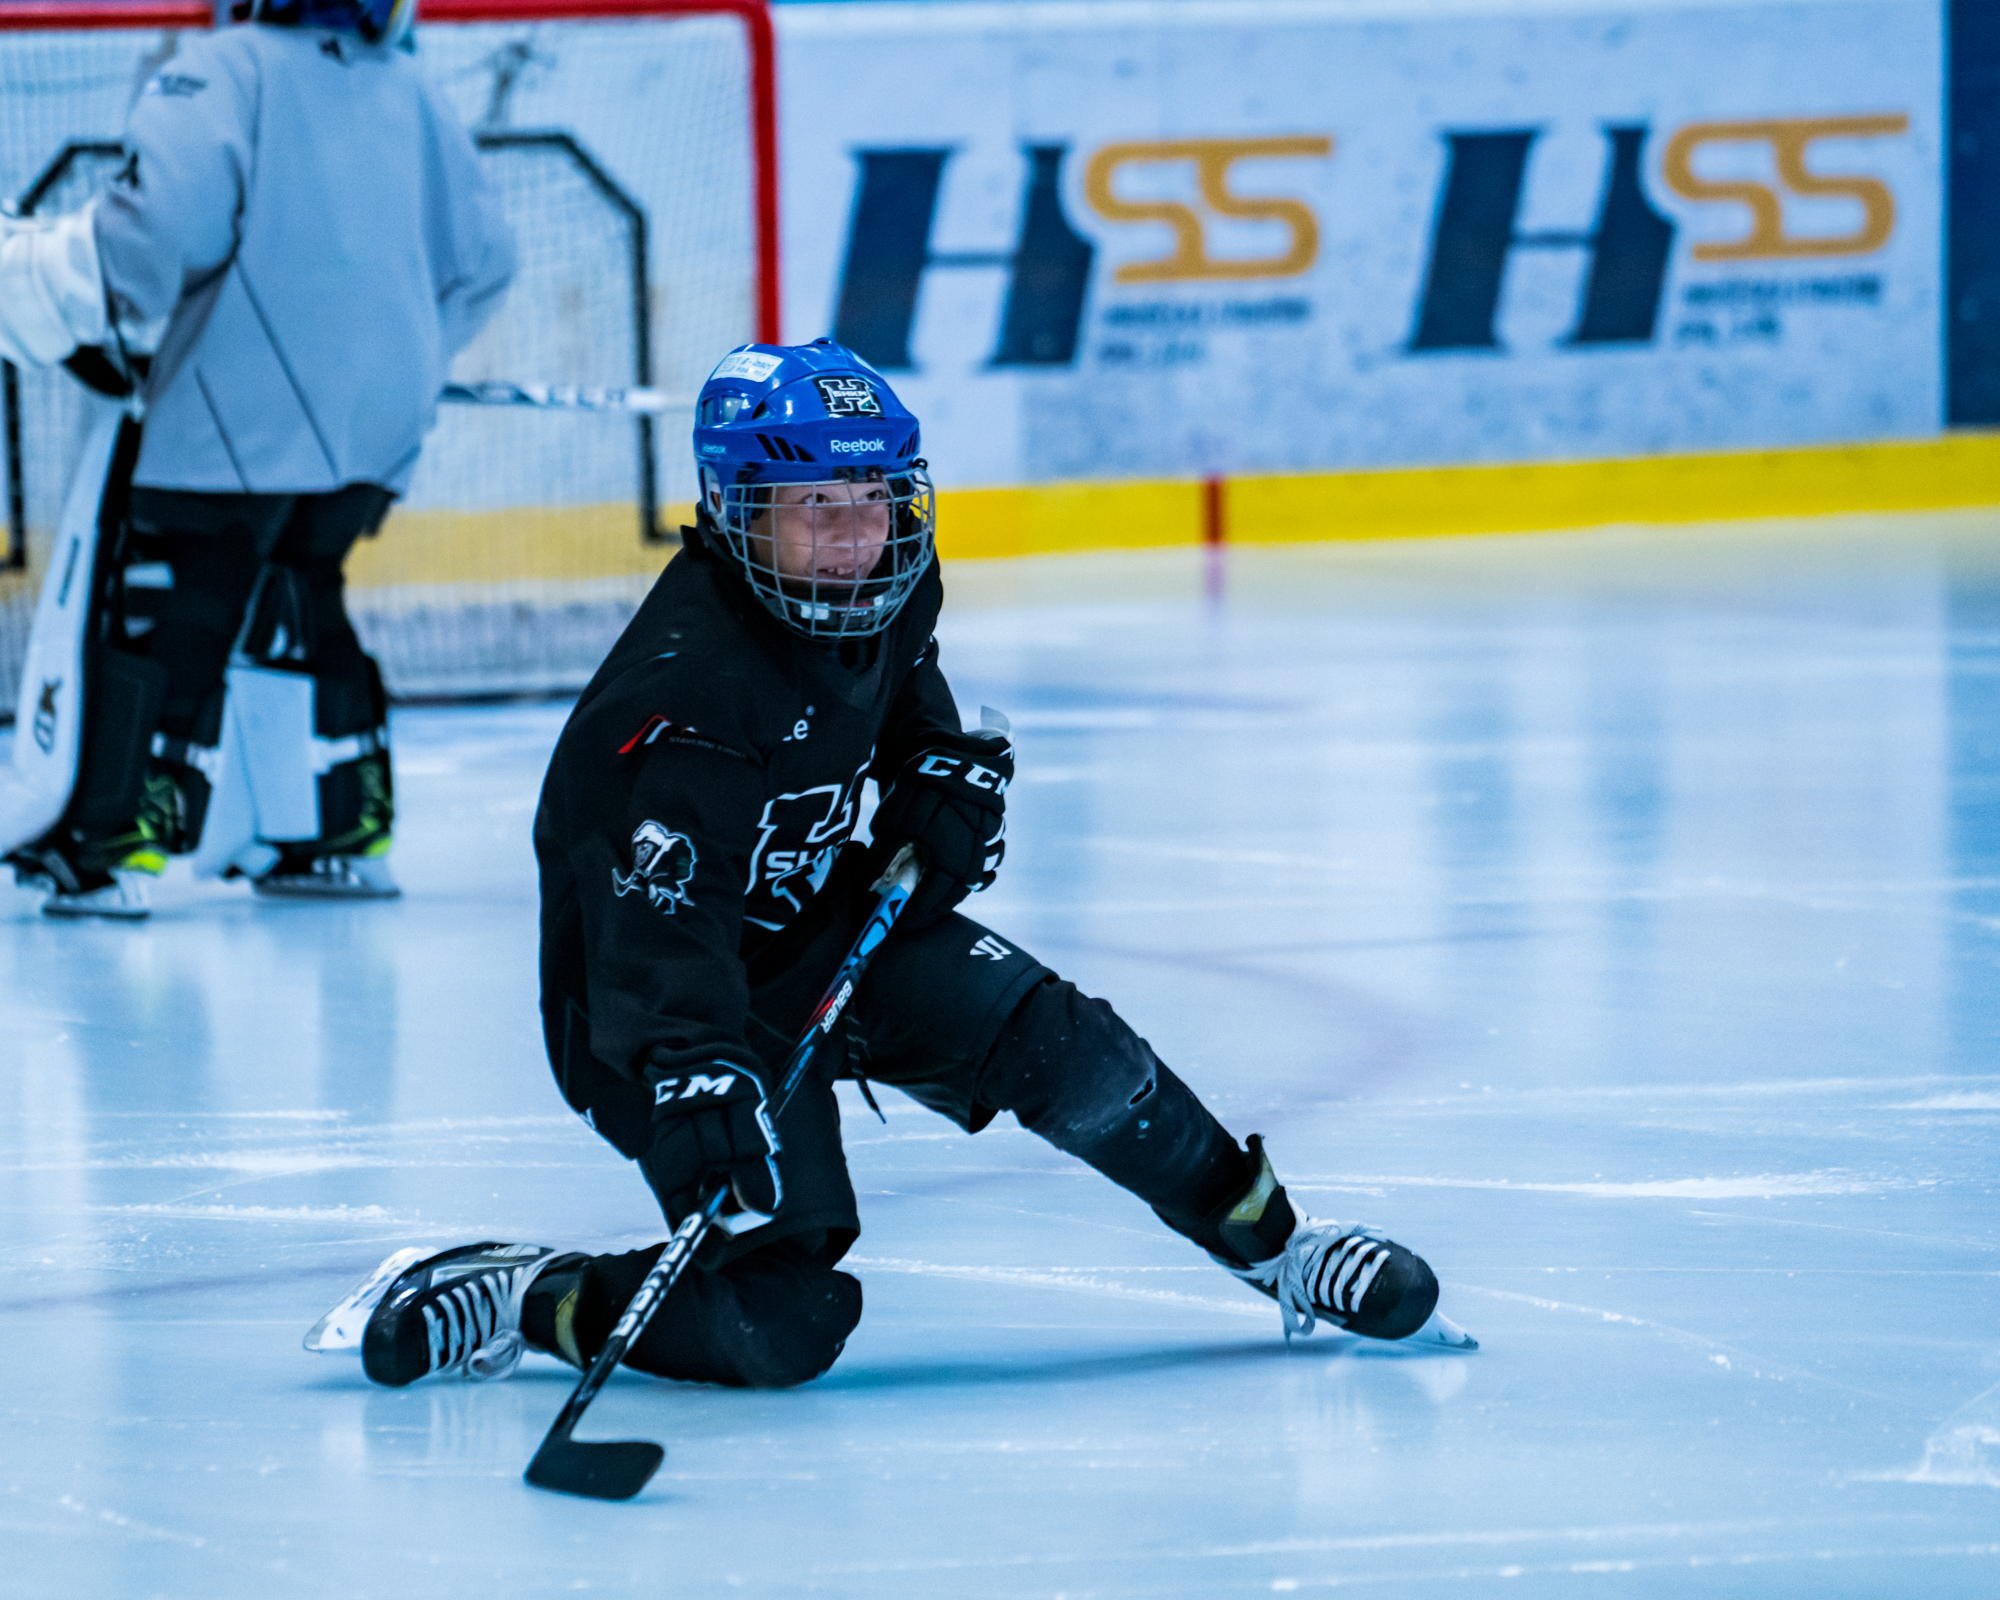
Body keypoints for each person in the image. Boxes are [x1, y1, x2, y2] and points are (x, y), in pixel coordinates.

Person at [314, 340, 1473, 1391]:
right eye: (813, 502)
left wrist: (945, 788)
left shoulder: (883, 583)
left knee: (1073, 1052)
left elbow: (914, 719)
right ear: (733, 510)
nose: (853, 532)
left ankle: (1283, 1250)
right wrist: (699, 1071)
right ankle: (532, 1296)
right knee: (779, 1319)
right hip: (660, 1017)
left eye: (870, 495)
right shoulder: (681, 700)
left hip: (829, 930)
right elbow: (658, 936)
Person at [0, 0, 514, 918]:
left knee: (174, 611)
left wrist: (37, 283)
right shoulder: (414, 89)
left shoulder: (220, 70)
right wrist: (404, 360)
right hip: (375, 429)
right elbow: (486, 263)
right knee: (303, 594)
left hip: (234, 418)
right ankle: (336, 829)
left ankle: (110, 843)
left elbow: (148, 246)